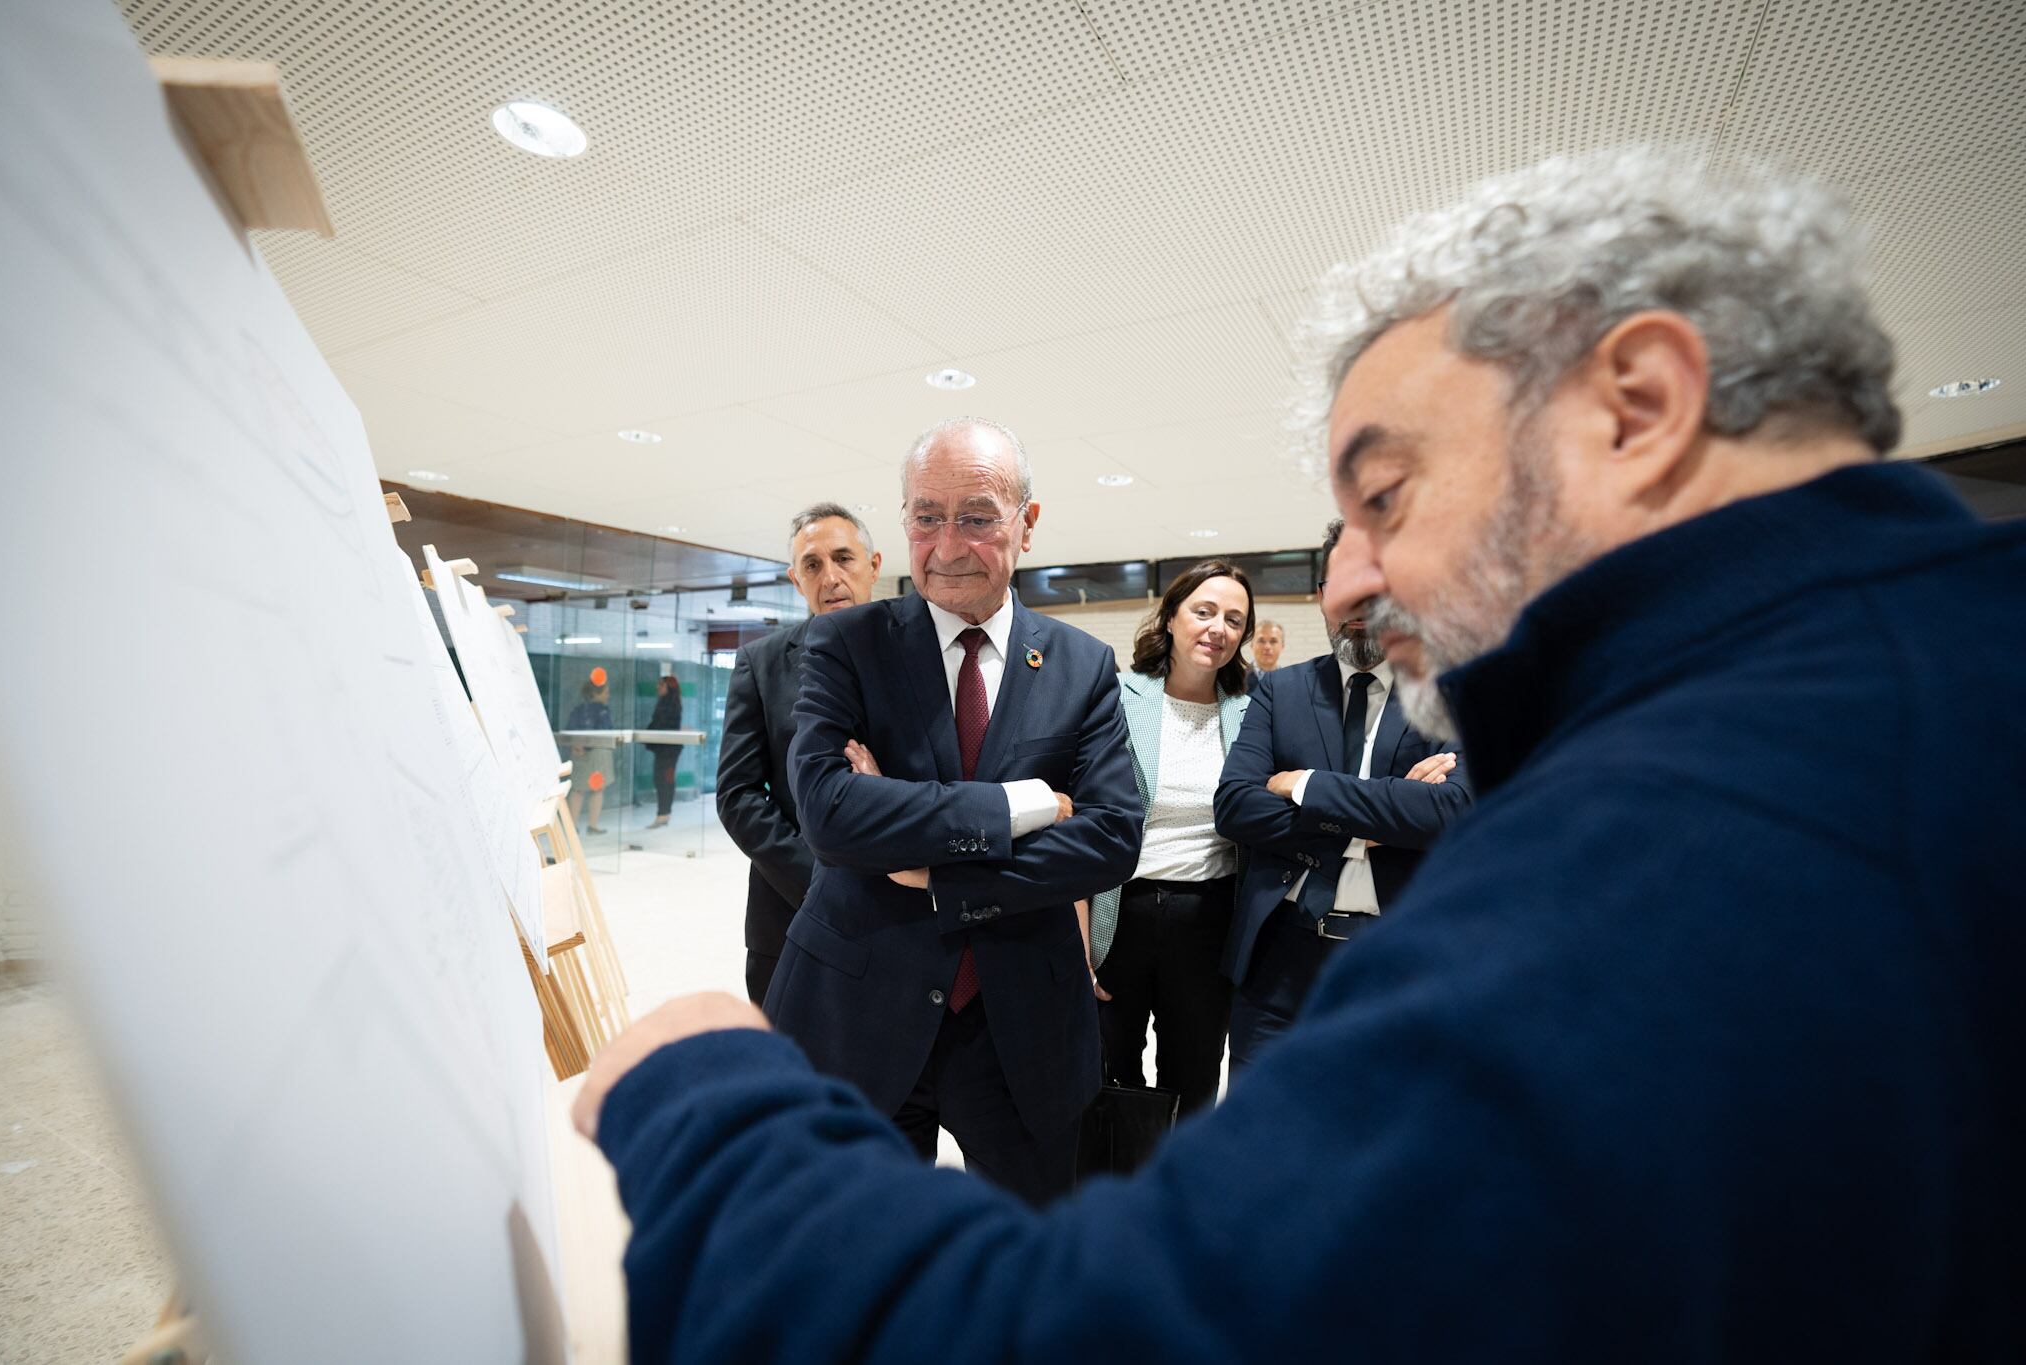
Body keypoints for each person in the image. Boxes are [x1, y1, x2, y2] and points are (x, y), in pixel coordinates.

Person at [572, 148, 2026, 1360]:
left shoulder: (1683, 836)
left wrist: (702, 1098)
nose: (1341, 586)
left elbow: (1095, 1331)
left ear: (1636, 405)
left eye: (1386, 495)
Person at [753, 416, 1142, 1204]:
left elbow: (1110, 838)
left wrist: (938, 874)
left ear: (1026, 525)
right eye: (927, 516)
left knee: (1026, 1257)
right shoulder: (846, 646)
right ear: (902, 524)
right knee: (856, 1258)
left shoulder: (1082, 665)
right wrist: (1023, 805)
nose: (949, 543)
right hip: (857, 1011)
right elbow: (828, 812)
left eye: (977, 516)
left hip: (1020, 1026)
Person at [1213, 516, 1472, 1071]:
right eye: (1344, 586)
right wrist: (1387, 816)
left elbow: (1455, 809)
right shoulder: (1282, 691)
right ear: (1322, 597)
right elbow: (1235, 805)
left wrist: (1307, 786)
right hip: (1279, 963)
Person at [1081, 559, 1256, 1122]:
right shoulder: (1116, 697)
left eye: (1234, 619)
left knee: (1197, 1076)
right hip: (1120, 912)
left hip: (1209, 916)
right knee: (1112, 1073)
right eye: (1203, 611)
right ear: (1172, 618)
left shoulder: (1252, 712)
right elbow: (1083, 816)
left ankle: (1182, 1197)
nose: (1218, 629)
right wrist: (1077, 935)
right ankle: (1117, 1196)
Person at [715, 501, 883, 1005]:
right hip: (790, 913)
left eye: (843, 559)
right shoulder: (761, 664)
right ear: (796, 579)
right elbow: (739, 794)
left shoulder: (917, 657)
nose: (829, 577)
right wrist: (818, 878)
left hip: (903, 913)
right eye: (812, 565)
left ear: (873, 567)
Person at [564, 677, 613, 835]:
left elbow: (569, 729)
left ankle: (572, 826)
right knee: (597, 790)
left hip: (579, 752)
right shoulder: (603, 711)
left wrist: (578, 745)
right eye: (606, 692)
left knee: (577, 790)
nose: (608, 695)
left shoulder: (578, 710)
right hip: (598, 753)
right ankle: (593, 825)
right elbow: (604, 732)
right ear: (596, 693)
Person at [642, 675, 683, 829]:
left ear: (669, 688)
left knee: (665, 780)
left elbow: (663, 726)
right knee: (662, 779)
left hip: (669, 750)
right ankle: (663, 814)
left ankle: (663, 814)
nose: (658, 687)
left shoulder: (671, 706)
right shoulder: (664, 704)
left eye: (661, 685)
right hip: (664, 749)